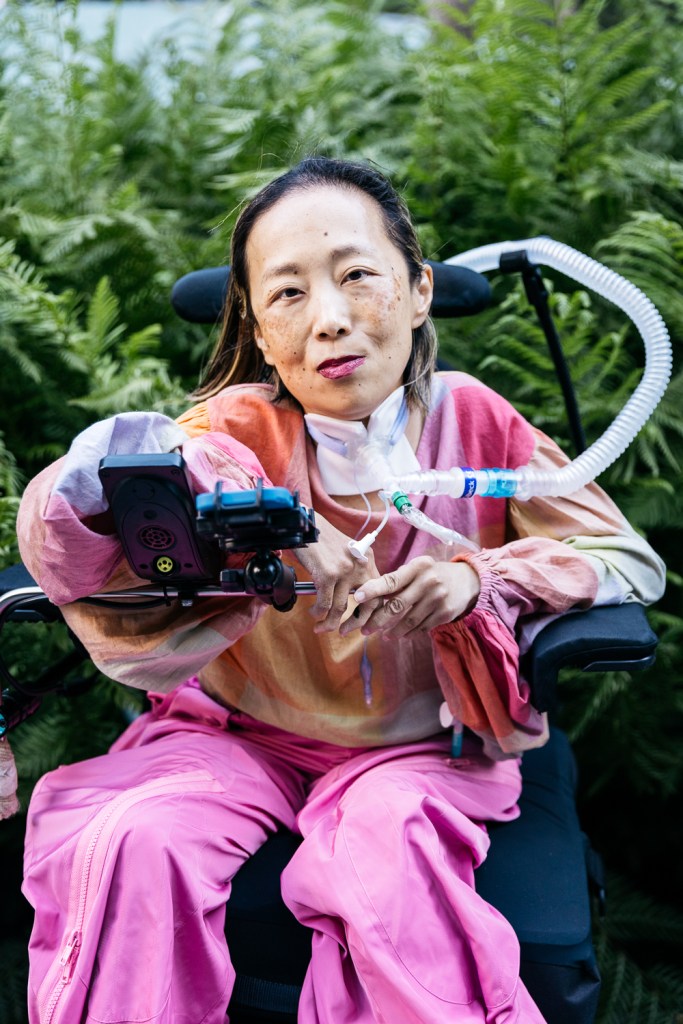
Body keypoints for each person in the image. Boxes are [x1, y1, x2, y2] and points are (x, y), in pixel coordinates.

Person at [17, 156, 665, 1024]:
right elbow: (72, 521)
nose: (328, 319)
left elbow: (626, 559)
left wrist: (478, 579)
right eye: (288, 294)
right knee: (134, 842)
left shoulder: (473, 421)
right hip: (234, 741)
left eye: (357, 275)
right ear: (257, 327)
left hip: (419, 752)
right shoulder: (231, 433)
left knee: (384, 868)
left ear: (419, 290)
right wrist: (270, 515)